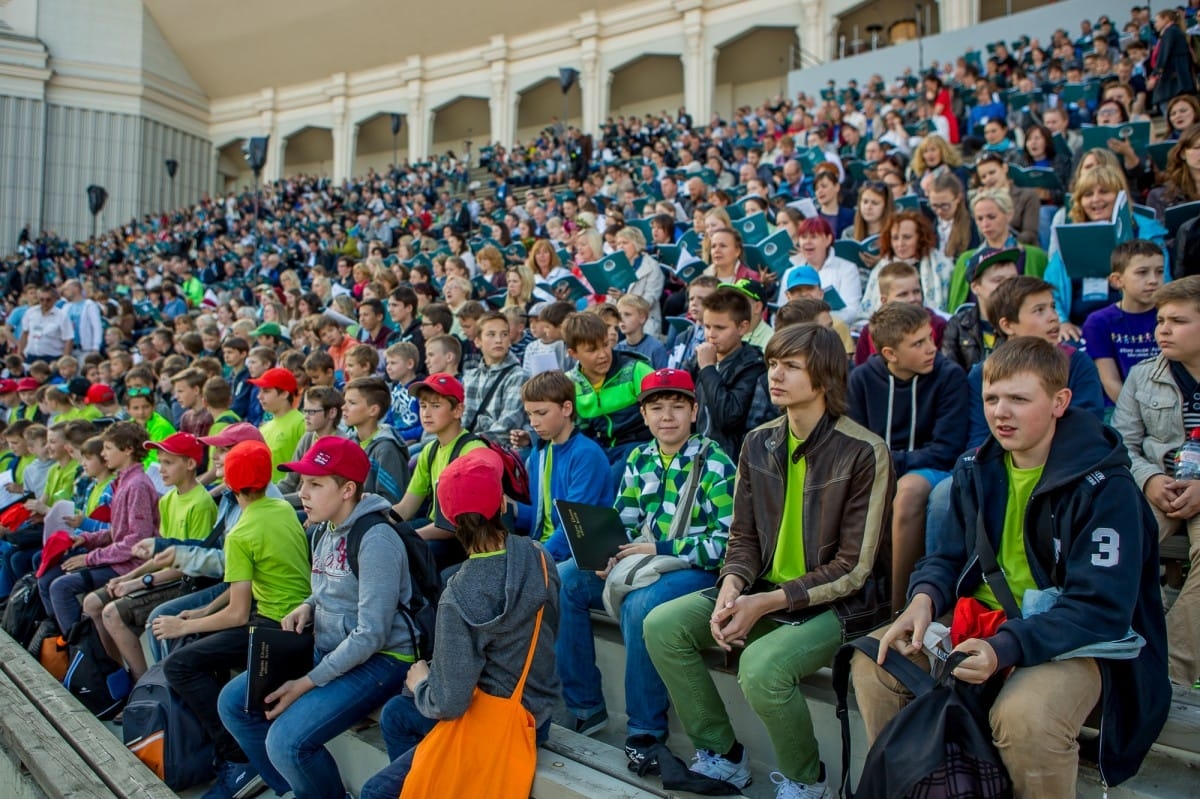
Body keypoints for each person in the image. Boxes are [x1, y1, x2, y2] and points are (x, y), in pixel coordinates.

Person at [853, 336, 1169, 798]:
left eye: (1019, 399)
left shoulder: (1107, 487)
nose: (1001, 412)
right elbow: (946, 557)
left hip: (1074, 639)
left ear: (1060, 401)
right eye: (991, 398)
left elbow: (1101, 609)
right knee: (877, 662)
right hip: (981, 622)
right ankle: (918, 787)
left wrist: (1005, 647)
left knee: (1024, 716)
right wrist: (923, 600)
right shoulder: (975, 467)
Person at [644, 324, 893, 796]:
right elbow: (742, 537)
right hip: (764, 590)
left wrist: (765, 603)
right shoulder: (759, 441)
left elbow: (854, 569)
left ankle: (806, 781)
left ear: (823, 379)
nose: (774, 375)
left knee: (760, 668)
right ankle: (723, 755)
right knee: (662, 625)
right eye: (773, 363)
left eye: (790, 367)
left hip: (839, 606)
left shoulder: (864, 450)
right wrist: (733, 586)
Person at [217, 436, 416, 799]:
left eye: (315, 484)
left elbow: (371, 634)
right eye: (304, 483)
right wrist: (309, 604)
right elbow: (332, 587)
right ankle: (294, 788)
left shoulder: (376, 540)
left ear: (347, 490)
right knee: (234, 702)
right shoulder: (323, 528)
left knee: (287, 744)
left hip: (384, 659)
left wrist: (306, 682)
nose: (302, 493)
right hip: (332, 645)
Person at [557, 368, 736, 769]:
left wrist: (659, 546)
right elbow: (624, 523)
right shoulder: (639, 458)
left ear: (694, 411)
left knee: (641, 604)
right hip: (643, 563)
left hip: (695, 568)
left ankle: (646, 729)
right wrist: (607, 554)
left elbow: (725, 545)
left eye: (677, 406)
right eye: (656, 407)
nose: (666, 416)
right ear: (643, 414)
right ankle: (585, 704)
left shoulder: (715, 462)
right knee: (567, 577)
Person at [359, 448, 560, 799]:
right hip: (535, 714)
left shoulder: (459, 594)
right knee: (394, 714)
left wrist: (422, 682)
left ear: (448, 521)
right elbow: (550, 629)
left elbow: (449, 702)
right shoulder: (539, 556)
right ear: (500, 506)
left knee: (375, 790)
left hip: (492, 725)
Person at [155, 440, 311, 799]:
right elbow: (251, 580)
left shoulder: (240, 532)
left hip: (275, 629)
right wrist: (204, 612)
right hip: (296, 619)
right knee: (199, 651)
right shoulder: (281, 508)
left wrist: (183, 626)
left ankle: (238, 761)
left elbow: (238, 614)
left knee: (179, 664)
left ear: (228, 482)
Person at [848, 302, 969, 612]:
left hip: (932, 471)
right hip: (878, 468)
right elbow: (856, 444)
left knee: (908, 490)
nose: (932, 348)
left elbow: (947, 450)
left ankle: (899, 608)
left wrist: (889, 463)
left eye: (930, 338)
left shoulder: (949, 376)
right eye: (919, 343)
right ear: (890, 354)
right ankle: (849, 601)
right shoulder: (862, 379)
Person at [1113, 275, 1200, 687]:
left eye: (1177, 321)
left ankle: (1169, 676)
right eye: (1160, 320)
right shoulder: (1143, 375)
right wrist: (1148, 480)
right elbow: (1121, 445)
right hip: (1158, 488)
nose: (1162, 329)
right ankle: (1115, 652)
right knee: (1122, 538)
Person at [83, 432, 217, 680]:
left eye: (168, 463)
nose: (161, 469)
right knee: (93, 604)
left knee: (112, 613)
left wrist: (139, 581)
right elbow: (161, 554)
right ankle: (120, 679)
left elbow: (193, 564)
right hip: (162, 575)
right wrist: (130, 577)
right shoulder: (167, 500)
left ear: (190, 464)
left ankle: (142, 686)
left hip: (186, 581)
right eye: (160, 461)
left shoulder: (201, 503)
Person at [39, 421, 159, 636]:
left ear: (128, 449)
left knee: (61, 587)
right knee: (49, 575)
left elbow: (137, 541)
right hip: (118, 558)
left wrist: (89, 558)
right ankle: (65, 643)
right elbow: (117, 531)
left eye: (108, 448)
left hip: (130, 565)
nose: (103, 454)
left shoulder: (137, 485)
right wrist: (86, 539)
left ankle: (83, 651)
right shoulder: (123, 481)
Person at [966, 276, 1105, 449]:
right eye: (1039, 310)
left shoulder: (1077, 362)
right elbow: (978, 439)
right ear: (1008, 325)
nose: (1053, 317)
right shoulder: (983, 372)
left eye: (1053, 307)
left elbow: (1087, 426)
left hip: (1066, 462)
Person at [391, 373, 487, 571]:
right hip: (435, 526)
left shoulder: (473, 451)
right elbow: (406, 508)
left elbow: (459, 525)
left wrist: (409, 535)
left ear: (458, 410)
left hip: (465, 539)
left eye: (436, 406)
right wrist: (375, 521)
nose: (426, 413)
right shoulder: (430, 450)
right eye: (423, 406)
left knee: (410, 550)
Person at [564, 312, 654, 486]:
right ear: (573, 353)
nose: (603, 354)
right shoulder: (568, 384)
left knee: (608, 483)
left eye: (605, 345)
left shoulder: (635, 370)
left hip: (638, 446)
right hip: (597, 450)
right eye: (592, 350)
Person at [1083, 240, 1165, 405]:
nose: (1153, 280)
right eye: (1142, 272)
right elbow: (1110, 381)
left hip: (1170, 404)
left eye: (1160, 271)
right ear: (1117, 280)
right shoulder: (1098, 322)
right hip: (1121, 408)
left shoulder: (1170, 315)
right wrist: (1141, 413)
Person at [689, 286, 765, 459]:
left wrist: (708, 368)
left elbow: (729, 417)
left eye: (720, 328)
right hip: (696, 456)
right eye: (707, 326)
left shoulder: (753, 366)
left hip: (730, 460)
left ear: (742, 327)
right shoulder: (698, 360)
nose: (711, 335)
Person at [948, 188, 1049, 312]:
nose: (985, 224)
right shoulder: (966, 259)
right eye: (979, 219)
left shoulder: (1036, 257)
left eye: (991, 217)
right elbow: (955, 308)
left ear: (1009, 215)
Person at [941, 247, 1021, 371]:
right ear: (975, 287)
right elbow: (950, 374)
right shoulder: (958, 324)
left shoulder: (1026, 321)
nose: (1008, 286)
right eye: (998, 280)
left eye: (1013, 280)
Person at [853, 262, 947, 366]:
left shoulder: (938, 325)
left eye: (916, 292)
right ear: (884, 300)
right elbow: (862, 371)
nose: (913, 299)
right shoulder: (869, 331)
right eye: (903, 294)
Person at [460, 311, 529, 443]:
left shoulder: (518, 376)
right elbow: (463, 420)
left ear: (509, 341)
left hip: (499, 449)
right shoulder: (470, 377)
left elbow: (507, 427)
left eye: (504, 334)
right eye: (491, 334)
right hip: (468, 443)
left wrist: (467, 443)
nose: (499, 340)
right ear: (478, 341)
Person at [250, 367, 305, 477]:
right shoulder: (264, 427)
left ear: (284, 394)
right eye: (260, 391)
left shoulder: (301, 422)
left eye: (266, 391)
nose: (259, 396)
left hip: (286, 492)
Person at [614, 294, 668, 369]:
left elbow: (663, 377)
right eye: (619, 315)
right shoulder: (618, 348)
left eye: (627, 314)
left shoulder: (656, 348)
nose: (621, 319)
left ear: (642, 318)